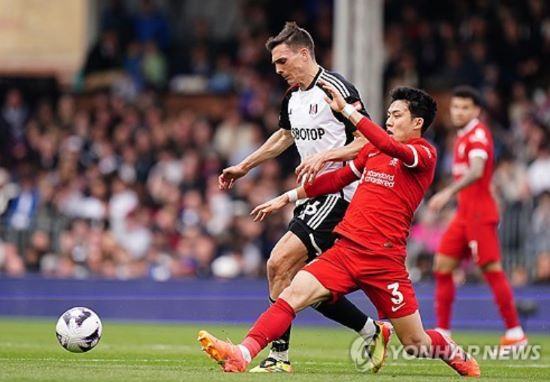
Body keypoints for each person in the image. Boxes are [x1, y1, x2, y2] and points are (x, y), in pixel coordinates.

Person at [198, 83, 480, 377]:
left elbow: (389, 145)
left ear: (417, 122)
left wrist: (347, 111)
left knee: (414, 343)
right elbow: (337, 180)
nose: (390, 120)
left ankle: (448, 348)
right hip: (345, 251)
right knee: (292, 294)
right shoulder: (373, 151)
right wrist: (287, 196)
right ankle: (242, 354)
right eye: (388, 115)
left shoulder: (424, 154)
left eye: (397, 115)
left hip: (385, 262)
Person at [218, 22, 380, 373]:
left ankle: (277, 356)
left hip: (341, 194)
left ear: (304, 54)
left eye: (282, 61)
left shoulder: (335, 88)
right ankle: (372, 330)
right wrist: (244, 166)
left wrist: (326, 156)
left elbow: (368, 140)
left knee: (278, 262)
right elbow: (283, 136)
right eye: (275, 64)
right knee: (303, 283)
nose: (278, 70)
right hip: (312, 196)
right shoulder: (293, 97)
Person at [427, 85, 527, 347]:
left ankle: (515, 333)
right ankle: (444, 332)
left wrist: (447, 192)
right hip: (464, 215)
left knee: (491, 269)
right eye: (456, 107)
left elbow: (477, 169)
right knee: (442, 265)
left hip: (480, 214)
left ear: (477, 111)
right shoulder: (461, 137)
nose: (458, 112)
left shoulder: (478, 134)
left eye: (465, 108)